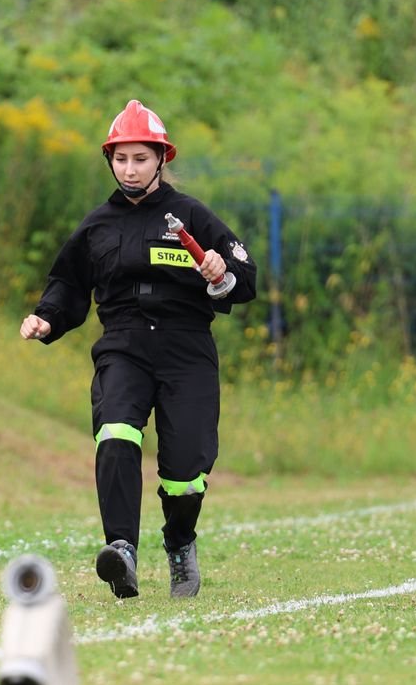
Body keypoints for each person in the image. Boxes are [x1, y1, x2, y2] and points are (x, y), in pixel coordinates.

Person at [18, 100, 257, 601]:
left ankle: (179, 543)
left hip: (186, 349)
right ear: (111, 160)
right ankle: (121, 550)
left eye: (140, 159)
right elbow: (67, 283)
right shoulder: (97, 226)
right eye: (121, 158)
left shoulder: (191, 215)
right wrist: (47, 316)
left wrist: (220, 275)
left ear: (161, 160)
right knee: (116, 432)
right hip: (123, 345)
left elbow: (244, 280)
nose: (130, 168)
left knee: (186, 472)